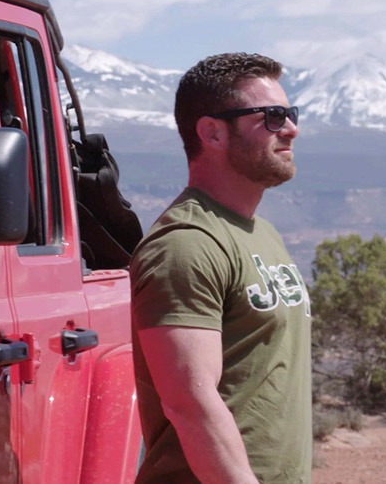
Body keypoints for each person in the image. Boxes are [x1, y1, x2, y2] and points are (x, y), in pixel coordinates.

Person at [130, 52, 312, 484]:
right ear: (211, 132)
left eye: (290, 113)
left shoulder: (261, 232)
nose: (290, 128)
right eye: (270, 116)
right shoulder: (187, 244)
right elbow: (189, 403)